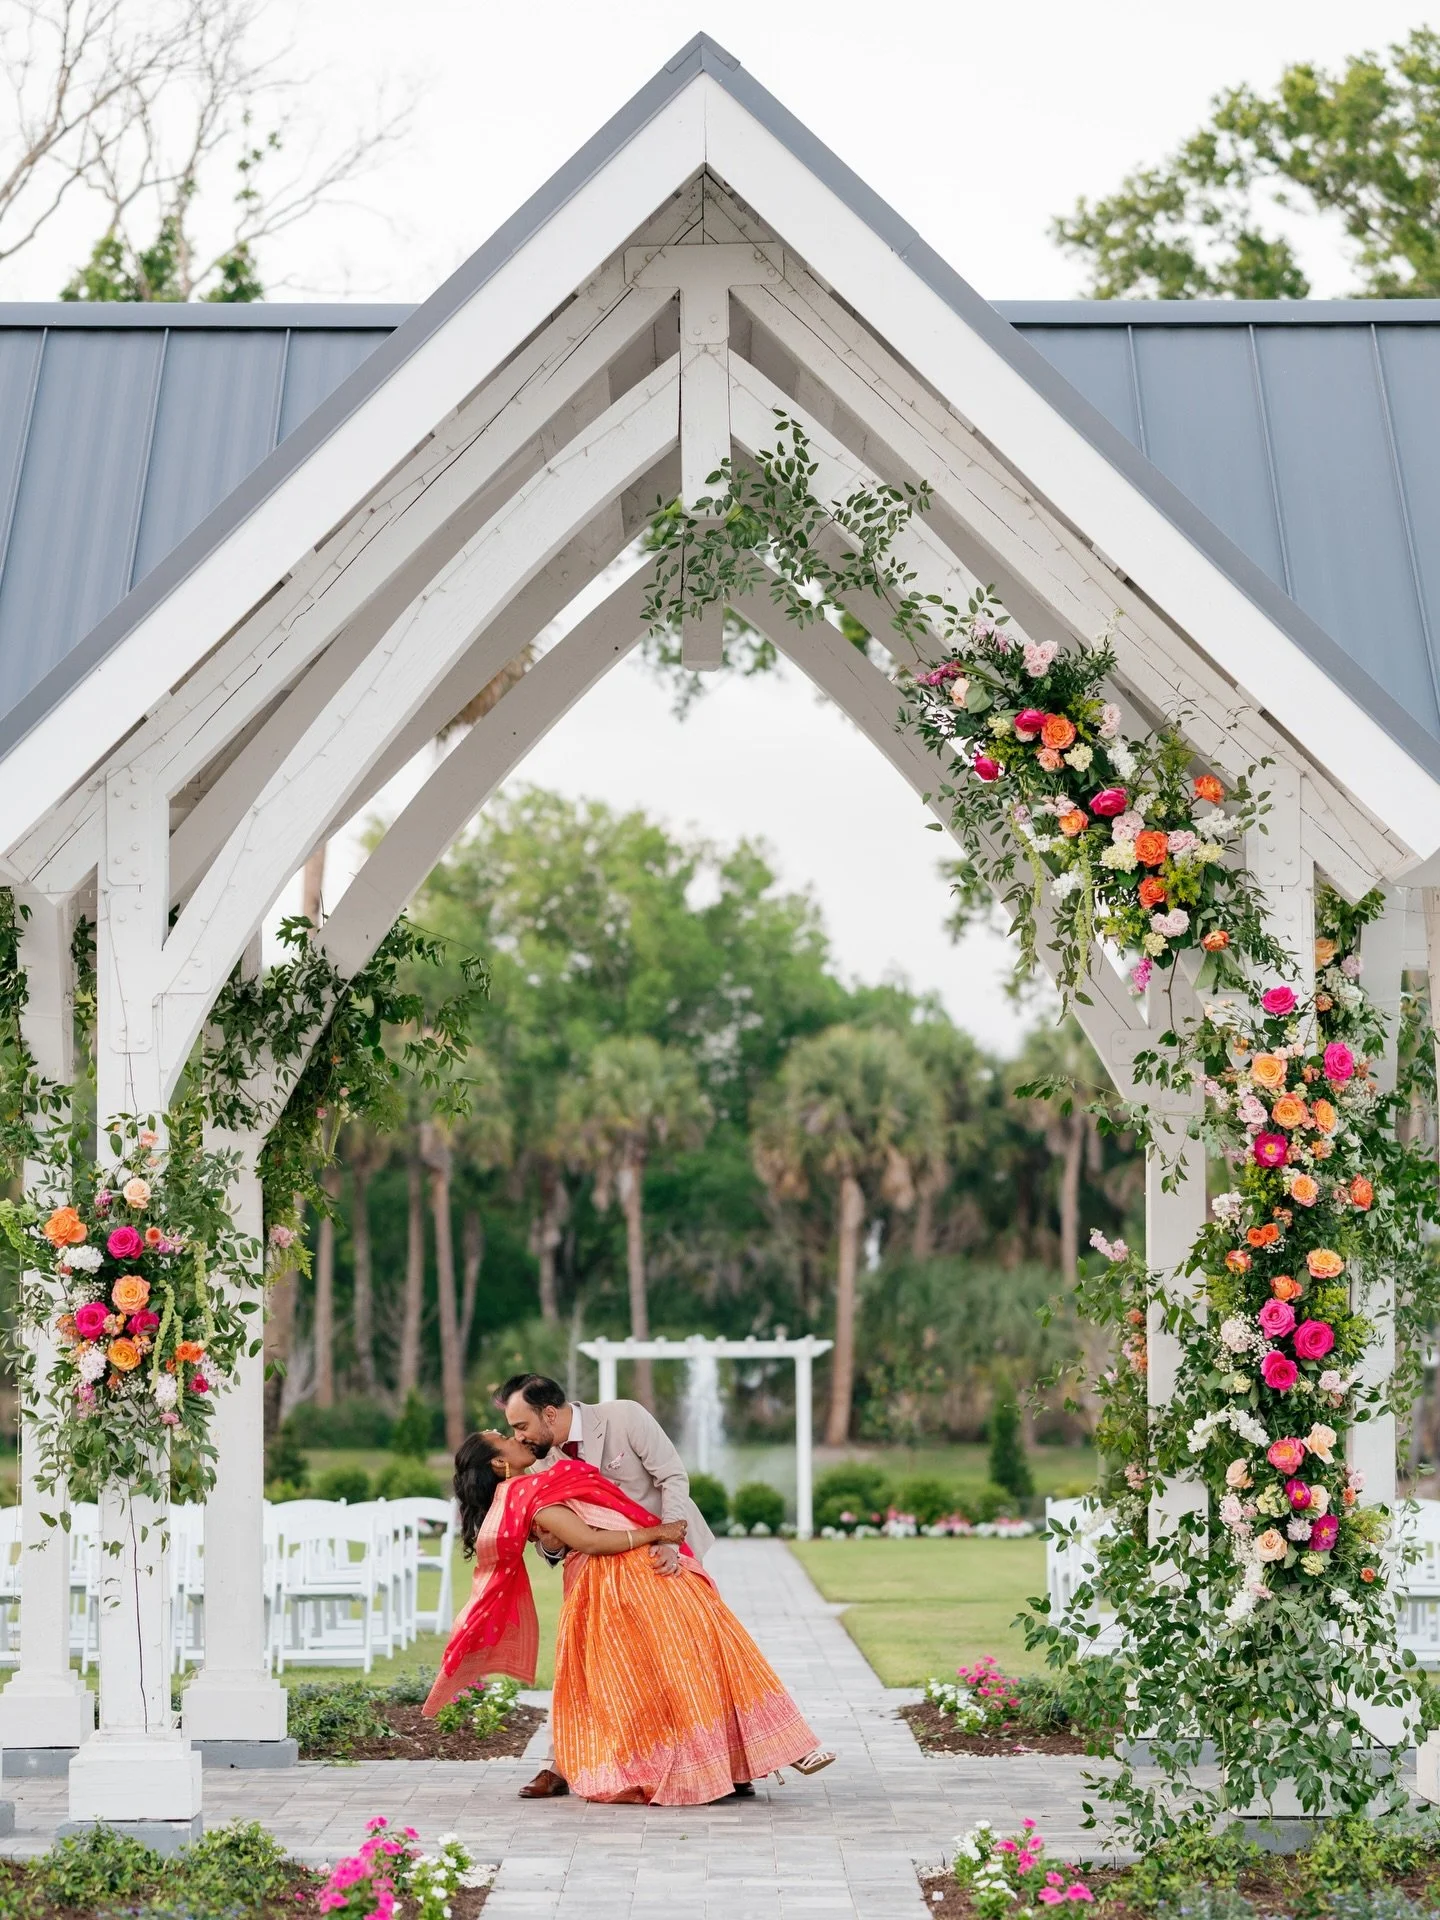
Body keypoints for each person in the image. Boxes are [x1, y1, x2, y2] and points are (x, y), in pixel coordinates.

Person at [425, 1429, 835, 1806]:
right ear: (499, 1463)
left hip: (640, 1575)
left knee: (707, 1647)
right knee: (669, 1669)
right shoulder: (523, 1497)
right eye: (502, 1436)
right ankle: (720, 1762)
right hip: (616, 1585)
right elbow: (589, 1540)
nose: (512, 1435)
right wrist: (658, 1534)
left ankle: (767, 1751)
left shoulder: (534, 1485)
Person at [499, 1371, 715, 1797]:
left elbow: (671, 1477)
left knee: (694, 1657)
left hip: (664, 1556)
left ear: (548, 1413)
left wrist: (671, 1543)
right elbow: (557, 1542)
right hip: (599, 1570)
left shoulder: (623, 1417)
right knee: (581, 1662)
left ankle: (726, 1762)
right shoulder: (539, 1460)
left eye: (522, 1425)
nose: (519, 1438)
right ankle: (558, 1764)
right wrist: (550, 1545)